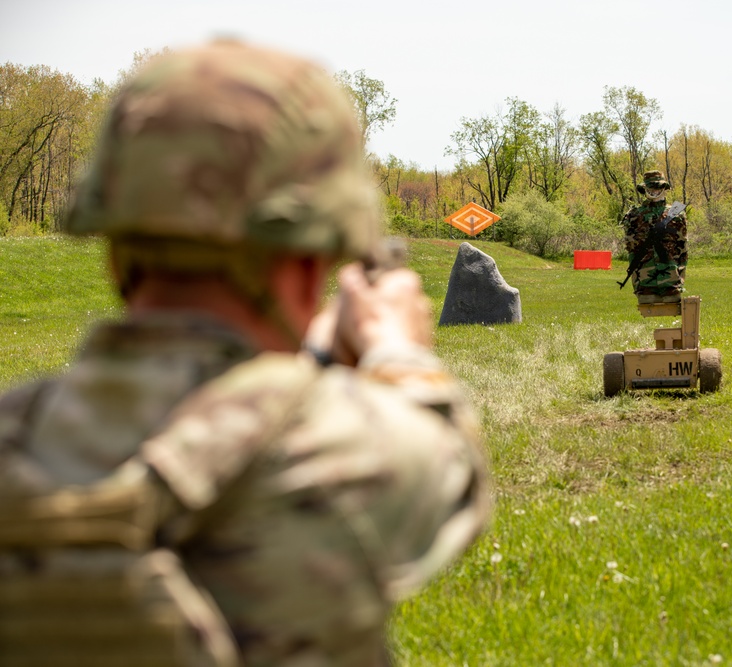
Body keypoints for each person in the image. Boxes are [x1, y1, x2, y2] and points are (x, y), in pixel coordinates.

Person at [0, 40, 489, 666]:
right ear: (311, 259)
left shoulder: (17, 433)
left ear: (116, 248)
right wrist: (393, 347)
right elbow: (452, 468)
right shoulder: (346, 452)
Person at [619, 170, 687, 303]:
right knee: (647, 300)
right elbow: (631, 250)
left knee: (672, 299)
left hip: (671, 280)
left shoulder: (676, 213)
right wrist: (637, 282)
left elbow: (683, 248)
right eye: (650, 187)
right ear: (644, 188)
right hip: (645, 282)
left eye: (657, 187)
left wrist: (679, 279)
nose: (654, 191)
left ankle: (671, 286)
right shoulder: (634, 215)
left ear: (664, 188)